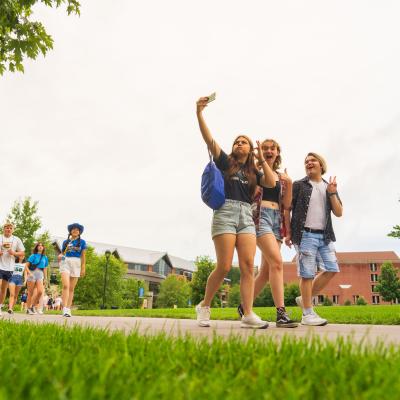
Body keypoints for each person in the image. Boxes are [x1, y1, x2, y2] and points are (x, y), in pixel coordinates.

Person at [195, 96, 276, 329]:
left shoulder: (254, 171)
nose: (239, 144)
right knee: (224, 266)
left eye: (244, 142)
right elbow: (209, 140)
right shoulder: (225, 162)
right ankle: (205, 305)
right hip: (225, 212)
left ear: (250, 149)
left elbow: (271, 183)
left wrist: (262, 160)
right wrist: (199, 114)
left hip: (246, 216)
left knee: (249, 265)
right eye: (237, 141)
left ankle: (248, 313)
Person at [238, 139, 298, 328]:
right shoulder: (255, 171)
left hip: (277, 221)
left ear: (278, 152)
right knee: (277, 262)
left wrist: (289, 184)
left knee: (266, 271)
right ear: (259, 151)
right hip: (260, 216)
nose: (268, 150)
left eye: (272, 148)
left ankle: (243, 306)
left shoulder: (282, 177)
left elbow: (286, 206)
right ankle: (281, 313)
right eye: (265, 148)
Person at [286, 152, 343, 326]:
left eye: (312, 160)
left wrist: (332, 193)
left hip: (325, 236)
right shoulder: (299, 185)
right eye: (306, 161)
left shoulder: (328, 187)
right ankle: (307, 314)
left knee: (332, 268)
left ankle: (304, 299)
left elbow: (339, 212)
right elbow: (287, 209)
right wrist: (288, 233)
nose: (309, 163)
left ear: (321, 165)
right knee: (307, 274)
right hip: (305, 234)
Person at [58, 223, 86, 317]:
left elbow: (83, 256)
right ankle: (64, 308)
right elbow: (62, 254)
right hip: (65, 262)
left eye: (77, 230)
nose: (75, 230)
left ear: (79, 232)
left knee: (71, 288)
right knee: (66, 285)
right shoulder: (65, 242)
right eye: (73, 229)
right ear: (70, 231)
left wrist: (83, 268)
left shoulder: (82, 242)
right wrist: (60, 256)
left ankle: (68, 309)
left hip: (76, 263)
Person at [0, 221, 25, 316]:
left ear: (13, 230)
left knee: (3, 289)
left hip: (10, 268)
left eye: (10, 228)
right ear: (4, 229)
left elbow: (22, 253)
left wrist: (14, 253)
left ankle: (0, 306)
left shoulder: (16, 239)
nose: (8, 229)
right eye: (7, 227)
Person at [26, 242, 49, 315]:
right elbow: (26, 266)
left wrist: (46, 278)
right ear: (36, 247)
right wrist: (29, 273)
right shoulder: (33, 256)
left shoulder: (45, 257)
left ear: (43, 248)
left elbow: (45, 268)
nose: (40, 246)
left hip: (40, 274)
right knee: (30, 293)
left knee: (40, 291)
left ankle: (33, 306)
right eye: (39, 245)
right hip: (32, 274)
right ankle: (28, 309)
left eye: (42, 245)